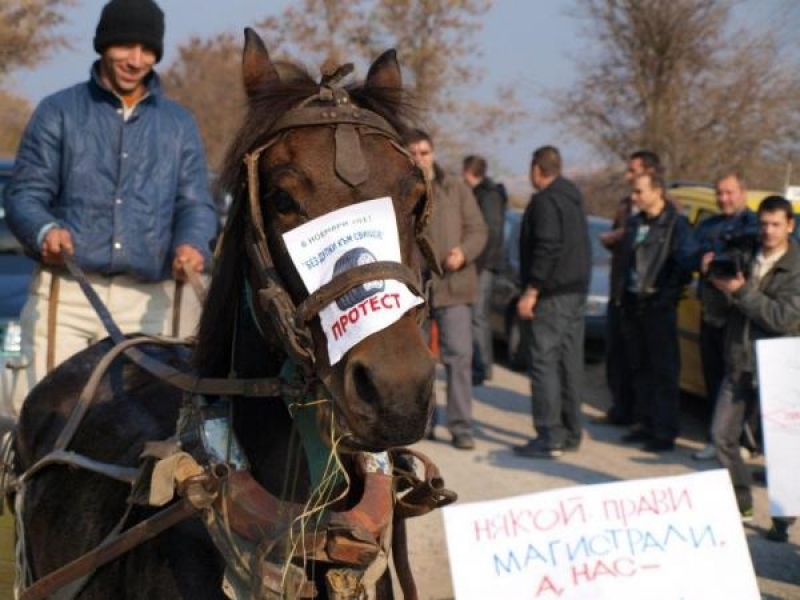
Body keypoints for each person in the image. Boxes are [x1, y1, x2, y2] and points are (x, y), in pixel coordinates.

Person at [4, 0, 218, 414]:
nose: (136, 60)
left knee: (149, 426)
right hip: (66, 293)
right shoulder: (58, 111)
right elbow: (24, 194)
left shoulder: (179, 124)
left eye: (147, 49)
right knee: (46, 419)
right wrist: (46, 230)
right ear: (103, 45)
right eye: (125, 46)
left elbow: (196, 204)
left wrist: (192, 243)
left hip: (151, 301)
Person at [708, 195, 800, 522]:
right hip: (738, 360)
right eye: (763, 224)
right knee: (721, 435)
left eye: (776, 224)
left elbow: (783, 319)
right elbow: (718, 314)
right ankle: (740, 501)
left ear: (790, 225)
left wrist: (741, 291)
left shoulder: (796, 266)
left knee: (780, 450)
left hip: (779, 368)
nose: (768, 231)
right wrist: (714, 284)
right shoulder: (744, 255)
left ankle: (783, 521)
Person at [405, 130, 487, 450]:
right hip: (415, 290)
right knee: (420, 363)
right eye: (413, 152)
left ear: (433, 154)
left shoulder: (456, 188)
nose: (419, 158)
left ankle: (461, 426)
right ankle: (424, 422)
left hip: (454, 287)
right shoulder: (400, 189)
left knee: (459, 359)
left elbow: (478, 230)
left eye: (424, 152)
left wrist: (463, 252)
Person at [513, 146, 591, 458]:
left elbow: (547, 246)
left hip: (552, 294)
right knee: (569, 363)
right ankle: (572, 431)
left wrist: (532, 290)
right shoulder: (573, 197)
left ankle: (549, 434)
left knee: (543, 361)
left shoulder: (546, 201)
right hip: (575, 292)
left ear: (536, 169)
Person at [614, 172, 692, 452]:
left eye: (639, 192)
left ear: (657, 191)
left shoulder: (676, 225)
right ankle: (645, 423)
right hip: (635, 304)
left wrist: (665, 295)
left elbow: (685, 262)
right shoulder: (636, 223)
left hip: (658, 306)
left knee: (663, 371)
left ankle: (664, 431)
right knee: (640, 367)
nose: (634, 198)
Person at [684, 171, 759, 461]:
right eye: (719, 193)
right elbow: (684, 255)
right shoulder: (708, 226)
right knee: (714, 377)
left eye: (729, 192)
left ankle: (744, 442)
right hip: (710, 313)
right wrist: (702, 260)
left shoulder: (754, 225)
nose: (724, 199)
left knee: (741, 381)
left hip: (741, 315)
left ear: (743, 191)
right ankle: (714, 439)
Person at [595, 150, 662, 426]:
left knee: (644, 361)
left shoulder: (668, 212)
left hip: (647, 298)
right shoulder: (625, 206)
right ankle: (620, 408)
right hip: (620, 289)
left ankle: (643, 415)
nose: (627, 176)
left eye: (633, 171)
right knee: (617, 354)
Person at [462, 155, 507, 386]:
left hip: (485, 265)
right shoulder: (485, 193)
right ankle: (480, 364)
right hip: (483, 263)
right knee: (478, 316)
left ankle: (481, 367)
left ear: (470, 172)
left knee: (478, 316)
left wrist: (478, 264)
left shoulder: (488, 196)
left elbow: (490, 232)